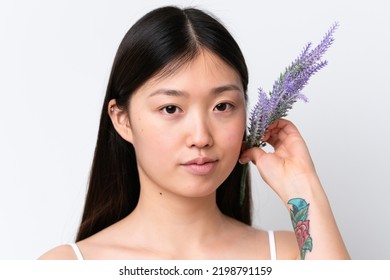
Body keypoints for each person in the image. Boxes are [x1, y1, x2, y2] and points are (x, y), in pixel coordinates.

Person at [39, 6, 350, 260]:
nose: (201, 137)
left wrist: (303, 188)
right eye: (171, 109)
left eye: (223, 106)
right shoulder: (65, 267)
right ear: (123, 121)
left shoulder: (289, 257)